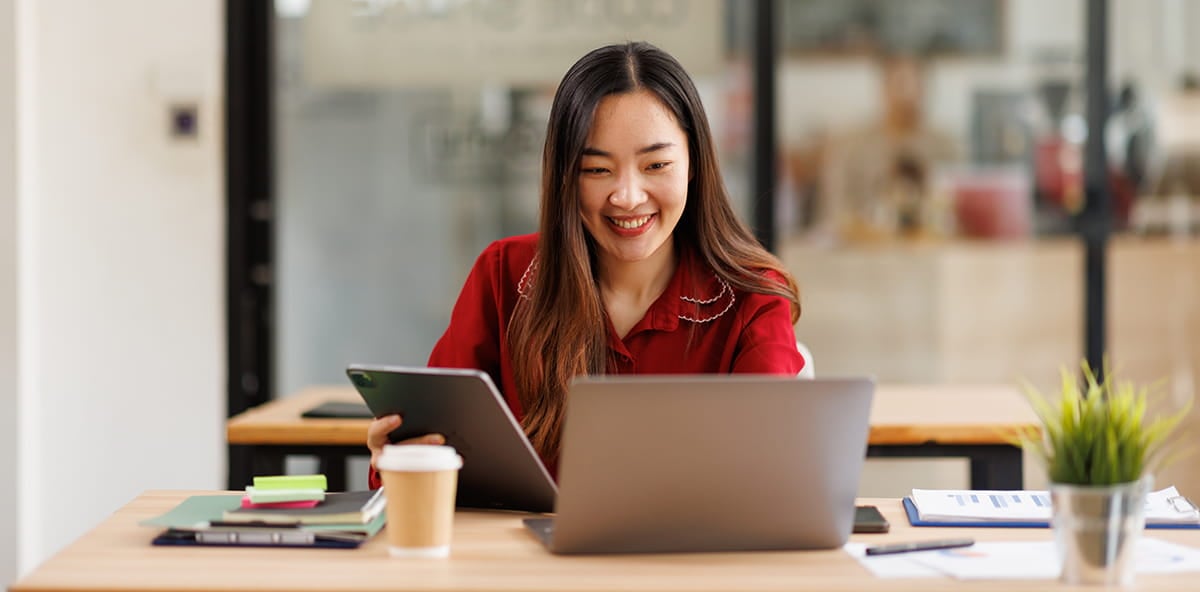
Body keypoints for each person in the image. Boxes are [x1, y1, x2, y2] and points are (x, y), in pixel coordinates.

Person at [367, 41, 806, 488]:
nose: (628, 196)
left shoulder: (752, 296)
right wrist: (402, 457)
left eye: (656, 164)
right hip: (519, 557)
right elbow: (426, 459)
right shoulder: (503, 276)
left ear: (693, 163)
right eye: (596, 170)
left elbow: (768, 482)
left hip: (688, 555)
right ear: (564, 176)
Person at [814, 52, 960, 241]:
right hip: (861, 249)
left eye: (915, 84)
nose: (906, 94)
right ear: (884, 88)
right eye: (899, 84)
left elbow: (954, 210)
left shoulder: (945, 147)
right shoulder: (852, 146)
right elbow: (835, 210)